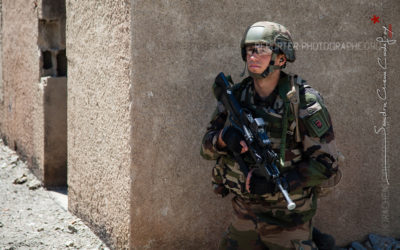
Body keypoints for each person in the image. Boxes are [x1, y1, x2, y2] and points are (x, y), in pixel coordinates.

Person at [200, 21, 342, 250]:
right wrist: (225, 138)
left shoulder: (303, 103)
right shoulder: (235, 97)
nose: (252, 56)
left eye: (262, 50)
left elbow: (328, 163)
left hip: (288, 218)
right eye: (249, 50)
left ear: (281, 58)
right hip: (244, 213)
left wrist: (279, 184)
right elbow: (205, 149)